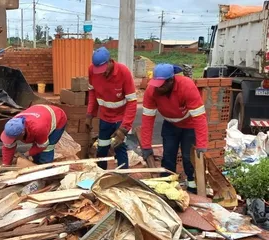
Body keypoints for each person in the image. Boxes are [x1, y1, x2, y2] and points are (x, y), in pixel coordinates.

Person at [139, 63, 208, 193]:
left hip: (189, 125)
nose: (158, 88)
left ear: (171, 81)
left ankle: (192, 186)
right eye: (156, 84)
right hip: (170, 125)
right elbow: (147, 119)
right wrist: (146, 146)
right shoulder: (151, 90)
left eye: (161, 85)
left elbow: (199, 117)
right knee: (168, 156)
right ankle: (167, 187)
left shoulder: (186, 86)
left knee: (188, 158)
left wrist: (201, 144)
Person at [86, 47, 138, 170]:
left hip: (120, 116)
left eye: (103, 69)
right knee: (102, 148)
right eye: (98, 70)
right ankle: (101, 175)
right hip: (105, 117)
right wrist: (90, 114)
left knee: (119, 146)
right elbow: (92, 93)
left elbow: (132, 102)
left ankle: (123, 178)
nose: (101, 72)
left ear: (110, 61)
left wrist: (124, 128)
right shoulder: (92, 71)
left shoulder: (123, 72)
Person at [0, 104, 68, 166]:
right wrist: (6, 164)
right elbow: (8, 147)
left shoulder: (38, 129)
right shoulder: (12, 125)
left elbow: (42, 146)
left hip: (58, 117)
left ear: (22, 133)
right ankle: (36, 163)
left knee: (47, 147)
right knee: (36, 152)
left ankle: (46, 170)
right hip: (40, 112)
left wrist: (26, 154)